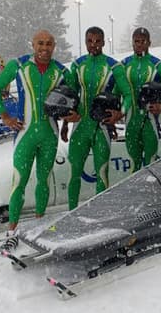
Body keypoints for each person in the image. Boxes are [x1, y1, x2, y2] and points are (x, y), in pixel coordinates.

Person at [0, 30, 76, 254]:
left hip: (49, 134)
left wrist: (69, 120)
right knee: (19, 181)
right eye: (40, 43)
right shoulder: (18, 65)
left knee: (44, 181)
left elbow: (72, 102)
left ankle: (39, 224)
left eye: (49, 44)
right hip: (24, 134)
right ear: (33, 44)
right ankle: (11, 231)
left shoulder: (61, 71)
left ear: (54, 46)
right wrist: (5, 116)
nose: (44, 48)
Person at [61, 26, 133, 210]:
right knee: (74, 172)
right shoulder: (77, 65)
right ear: (85, 42)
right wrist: (65, 124)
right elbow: (70, 96)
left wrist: (120, 113)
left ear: (103, 42)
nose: (93, 45)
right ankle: (72, 213)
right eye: (89, 41)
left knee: (102, 173)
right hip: (80, 127)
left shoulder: (113, 65)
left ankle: (101, 213)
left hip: (101, 127)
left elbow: (128, 94)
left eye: (97, 41)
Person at [121, 27, 161, 172]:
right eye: (136, 41)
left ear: (149, 43)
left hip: (150, 122)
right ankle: (137, 194)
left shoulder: (159, 66)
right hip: (131, 122)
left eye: (143, 41)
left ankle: (151, 194)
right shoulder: (123, 65)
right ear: (132, 43)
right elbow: (116, 92)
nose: (139, 44)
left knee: (151, 164)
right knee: (134, 165)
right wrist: (117, 111)